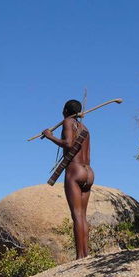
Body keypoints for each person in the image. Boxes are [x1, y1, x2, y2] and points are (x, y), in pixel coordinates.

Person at [41, 99, 94, 259]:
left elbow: (68, 143)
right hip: (88, 171)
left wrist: (49, 136)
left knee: (76, 214)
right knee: (82, 215)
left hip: (75, 170)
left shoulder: (68, 122)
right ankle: (85, 254)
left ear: (65, 110)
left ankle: (80, 257)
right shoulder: (85, 128)